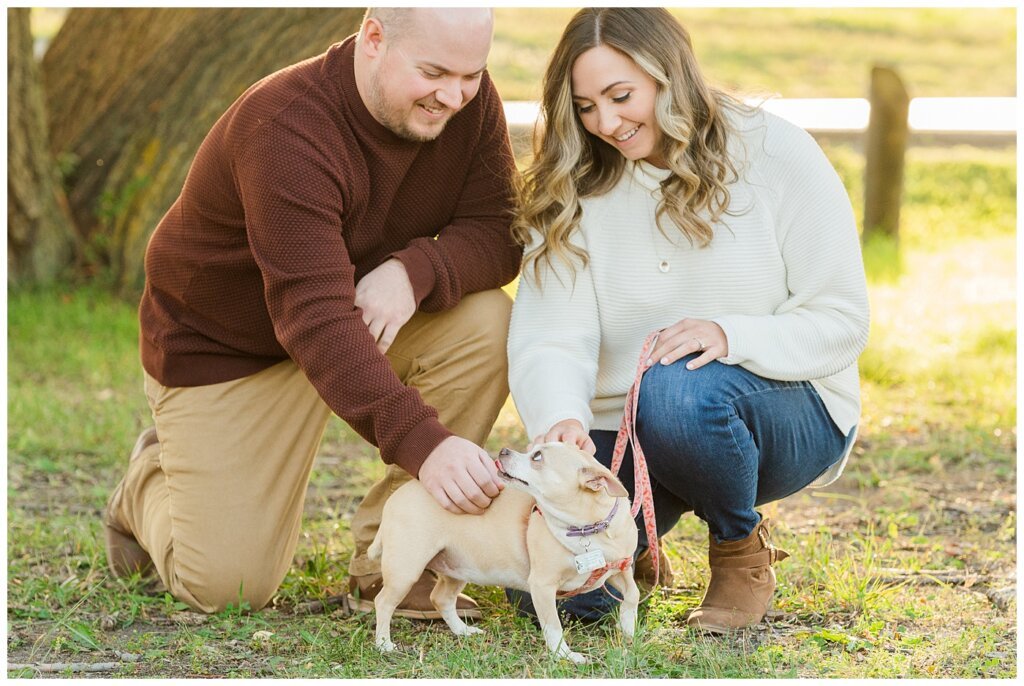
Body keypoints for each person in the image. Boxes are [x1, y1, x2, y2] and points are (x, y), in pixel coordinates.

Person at [103, 7, 521, 619]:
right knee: (228, 586)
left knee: (487, 323)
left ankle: (395, 563)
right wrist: (426, 446)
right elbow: (315, 320)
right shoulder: (285, 125)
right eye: (433, 72)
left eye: (470, 75)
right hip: (229, 350)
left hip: (360, 321)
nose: (453, 96)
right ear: (374, 38)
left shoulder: (468, 101)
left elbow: (499, 230)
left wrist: (415, 270)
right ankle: (144, 482)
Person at [507, 7, 869, 633]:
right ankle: (635, 543)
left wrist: (732, 335)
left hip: (777, 411)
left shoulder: (775, 152)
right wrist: (560, 417)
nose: (607, 123)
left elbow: (841, 320)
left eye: (622, 97)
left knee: (674, 389)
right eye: (586, 106)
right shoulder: (573, 186)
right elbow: (550, 335)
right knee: (559, 594)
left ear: (669, 75)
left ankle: (738, 552)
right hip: (621, 431)